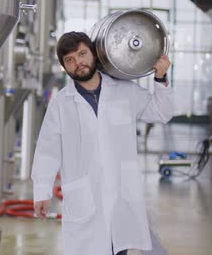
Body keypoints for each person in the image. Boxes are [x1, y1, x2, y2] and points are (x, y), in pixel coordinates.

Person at [31, 31, 174, 255]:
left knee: (120, 248)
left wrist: (160, 78)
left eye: (82, 54)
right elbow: (48, 149)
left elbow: (161, 113)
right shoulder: (61, 104)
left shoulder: (124, 91)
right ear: (64, 67)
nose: (78, 62)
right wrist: (41, 189)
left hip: (120, 196)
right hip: (85, 199)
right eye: (70, 60)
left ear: (94, 54)